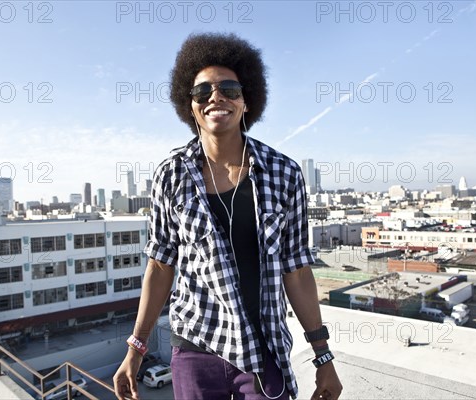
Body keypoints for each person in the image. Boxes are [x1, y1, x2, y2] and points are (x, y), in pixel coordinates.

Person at [113, 32, 342, 400]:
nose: (215, 98)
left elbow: (297, 271)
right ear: (190, 107)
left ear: (247, 100)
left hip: (263, 348)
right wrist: (135, 350)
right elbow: (159, 267)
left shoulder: (284, 174)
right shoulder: (170, 175)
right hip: (195, 348)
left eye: (229, 89)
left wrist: (323, 357)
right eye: (202, 92)